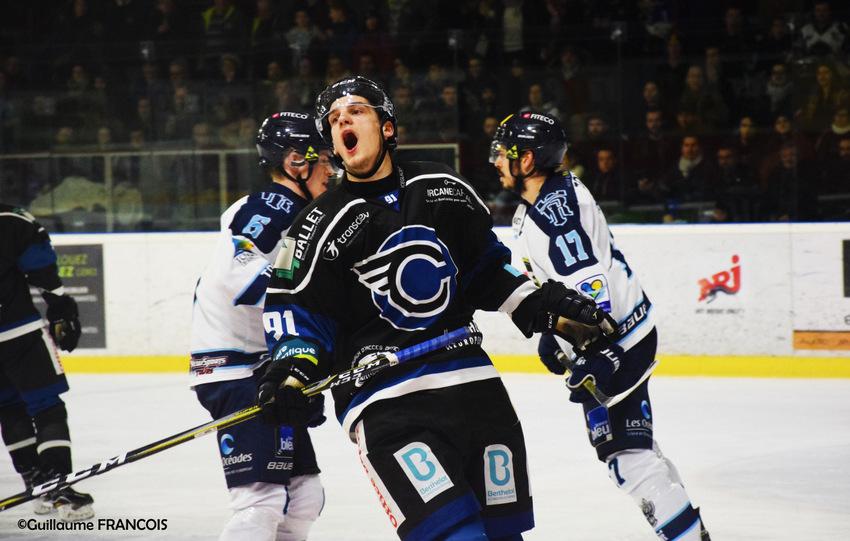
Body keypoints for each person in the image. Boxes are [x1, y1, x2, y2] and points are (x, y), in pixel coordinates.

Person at [256, 76, 617, 541]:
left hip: (474, 387)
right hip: (388, 403)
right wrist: (292, 371)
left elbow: (486, 272)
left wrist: (546, 309)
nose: (343, 121)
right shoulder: (316, 224)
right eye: (334, 119)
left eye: (357, 112)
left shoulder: (442, 187)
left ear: (387, 127)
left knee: (503, 536)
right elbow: (298, 314)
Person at [489, 112, 711, 541]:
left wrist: (601, 353)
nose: (496, 161)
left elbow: (591, 291)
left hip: (618, 343)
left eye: (503, 153)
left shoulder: (552, 213)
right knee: (637, 451)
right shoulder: (546, 200)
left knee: (626, 458)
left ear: (527, 159)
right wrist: (557, 333)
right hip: (627, 334)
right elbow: (570, 287)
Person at [189, 112, 336, 541]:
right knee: (261, 500)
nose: (332, 169)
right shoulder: (273, 205)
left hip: (263, 366)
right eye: (325, 159)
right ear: (295, 161)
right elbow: (241, 277)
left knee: (304, 497)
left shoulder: (299, 211)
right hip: (235, 369)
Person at [0, 204, 93, 521]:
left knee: (8, 407)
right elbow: (39, 263)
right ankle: (58, 486)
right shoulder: (9, 219)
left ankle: (36, 484)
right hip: (19, 332)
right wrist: (60, 304)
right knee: (46, 406)